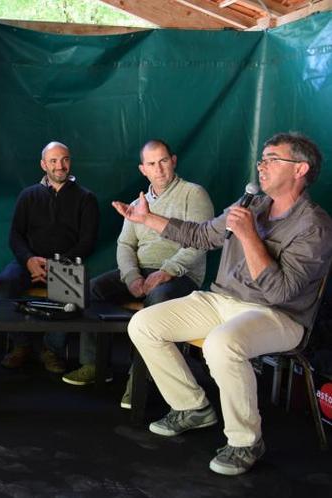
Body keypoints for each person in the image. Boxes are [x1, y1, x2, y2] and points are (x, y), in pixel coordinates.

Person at [117, 132, 332, 475]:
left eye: (272, 159)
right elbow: (201, 234)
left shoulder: (315, 226)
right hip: (222, 300)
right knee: (143, 324)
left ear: (300, 169)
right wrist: (146, 220)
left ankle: (246, 442)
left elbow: (280, 293)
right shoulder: (252, 204)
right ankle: (191, 407)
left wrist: (248, 235)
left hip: (278, 316)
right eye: (261, 158)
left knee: (222, 343)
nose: (261, 165)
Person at [62, 140, 214, 407]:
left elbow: (201, 242)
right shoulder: (137, 203)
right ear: (143, 169)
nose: (159, 169)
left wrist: (167, 271)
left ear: (174, 161)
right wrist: (131, 275)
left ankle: (140, 378)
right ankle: (93, 364)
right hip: (141, 271)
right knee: (87, 290)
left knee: (157, 300)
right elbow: (124, 245)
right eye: (152, 164)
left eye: (164, 161)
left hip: (181, 275)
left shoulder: (194, 194)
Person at [0, 141, 99, 373]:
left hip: (66, 261)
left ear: (70, 162)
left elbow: (87, 242)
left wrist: (56, 265)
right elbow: (15, 236)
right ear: (43, 165)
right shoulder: (28, 195)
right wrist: (29, 260)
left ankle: (52, 350)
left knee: (71, 290)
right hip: (28, 261)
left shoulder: (86, 198)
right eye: (53, 160)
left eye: (64, 159)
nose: (60, 166)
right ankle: (21, 346)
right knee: (5, 285)